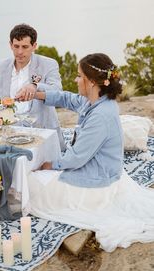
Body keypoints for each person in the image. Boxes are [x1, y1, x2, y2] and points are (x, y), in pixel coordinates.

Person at [16, 53, 154, 252]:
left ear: (90, 82)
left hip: (96, 182)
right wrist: (38, 92)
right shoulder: (96, 100)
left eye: (79, 76)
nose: (76, 80)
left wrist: (49, 165)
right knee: (34, 177)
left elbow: (76, 157)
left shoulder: (101, 115)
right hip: (99, 170)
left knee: (30, 184)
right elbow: (67, 98)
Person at [0, 23, 65, 149]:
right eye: (16, 46)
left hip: (43, 133)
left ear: (34, 46)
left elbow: (57, 91)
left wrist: (35, 85)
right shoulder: (1, 67)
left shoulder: (48, 64)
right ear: (10, 45)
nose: (19, 52)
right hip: (12, 135)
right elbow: (4, 102)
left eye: (25, 47)